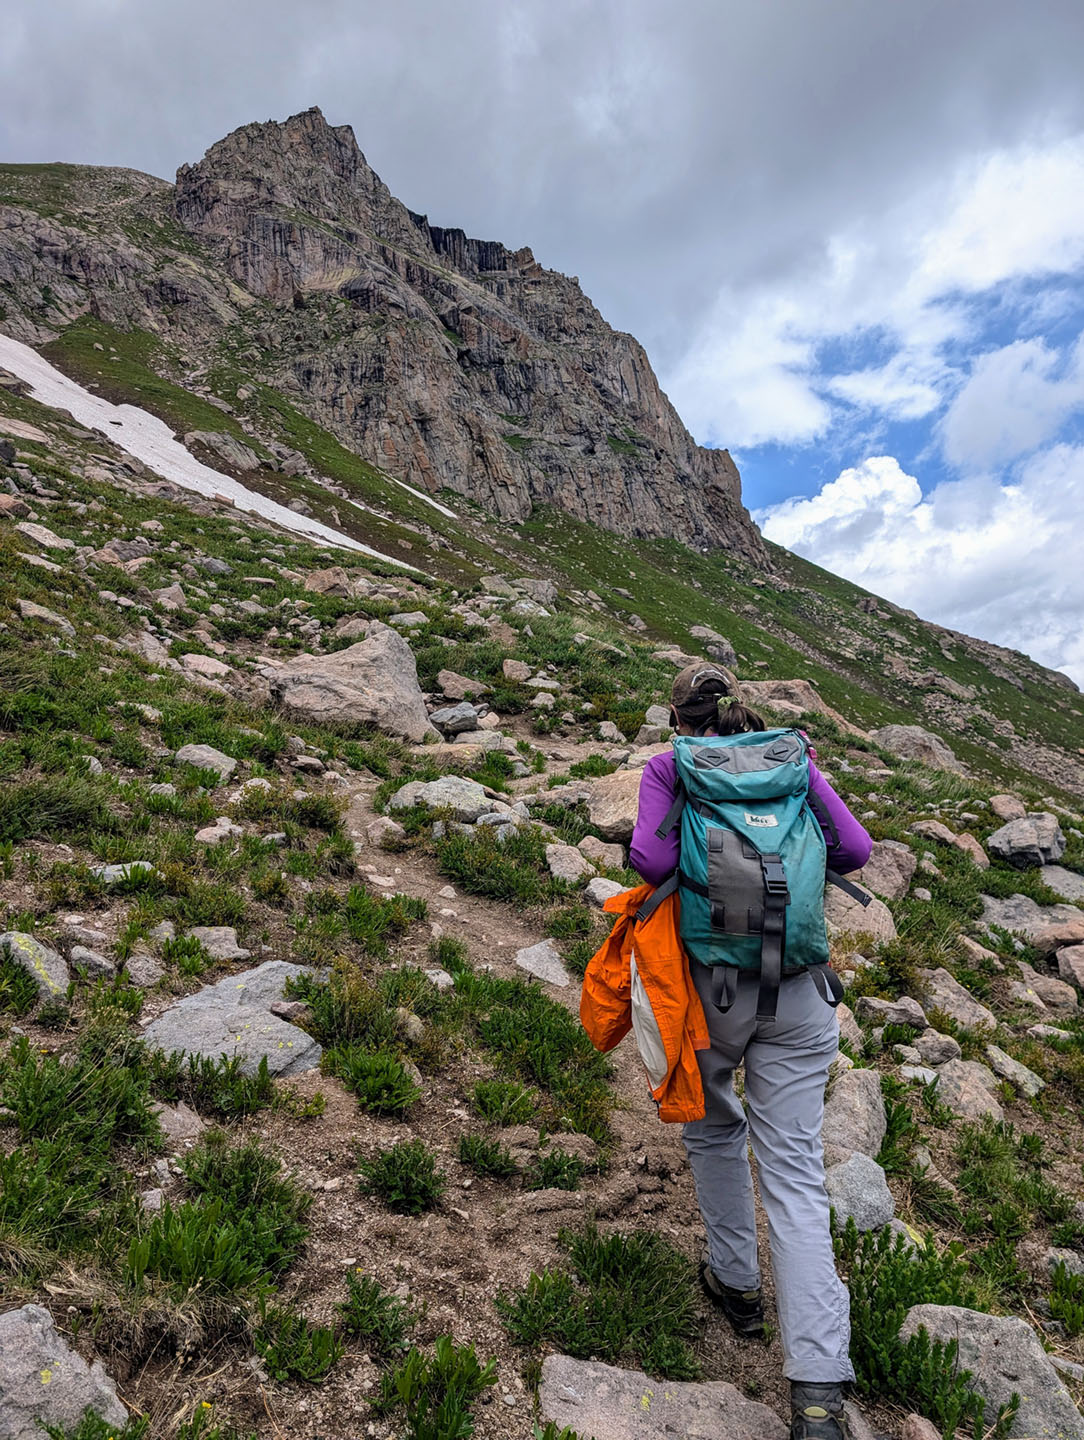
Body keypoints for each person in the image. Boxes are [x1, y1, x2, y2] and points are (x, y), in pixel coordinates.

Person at [630, 664, 872, 1440]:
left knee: (712, 1125)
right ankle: (818, 1396)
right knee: (797, 1175)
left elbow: (652, 864)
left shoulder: (671, 766)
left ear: (678, 714)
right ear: (741, 710)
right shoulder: (791, 757)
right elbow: (858, 850)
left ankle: (735, 1287)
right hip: (800, 993)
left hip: (712, 991)